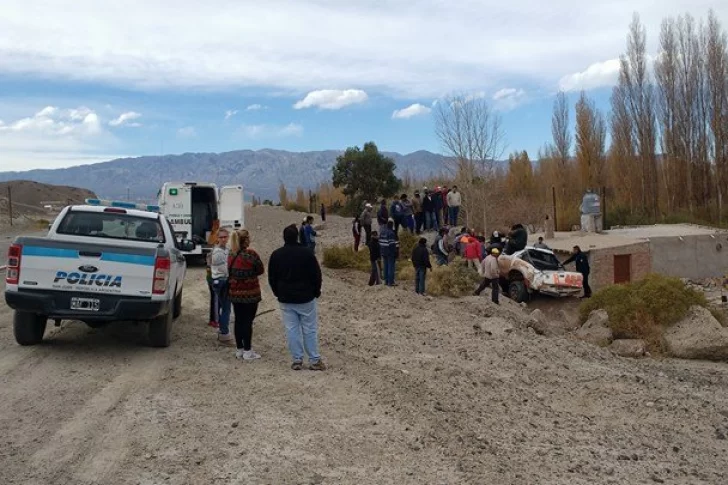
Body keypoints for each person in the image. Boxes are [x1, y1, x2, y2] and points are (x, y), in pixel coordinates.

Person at [268, 224, 326, 371]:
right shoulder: (307, 253)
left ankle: (297, 359)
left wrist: (277, 292)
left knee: (291, 329)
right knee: (309, 329)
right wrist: (316, 290)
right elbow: (316, 274)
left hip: (285, 297)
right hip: (306, 296)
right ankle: (314, 359)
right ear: (297, 236)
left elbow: (271, 277)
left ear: (284, 237)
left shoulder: (276, 255)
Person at [227, 229, 265, 360]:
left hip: (235, 294)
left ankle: (239, 349)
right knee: (248, 322)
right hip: (250, 294)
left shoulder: (231, 255)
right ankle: (248, 351)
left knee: (238, 320)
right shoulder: (251, 254)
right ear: (246, 240)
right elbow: (260, 269)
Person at [209, 227, 234, 345]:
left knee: (223, 307)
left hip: (222, 280)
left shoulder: (226, 249)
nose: (223, 239)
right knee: (226, 308)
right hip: (221, 281)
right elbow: (224, 268)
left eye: (225, 237)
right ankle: (224, 333)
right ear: (217, 238)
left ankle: (222, 329)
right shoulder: (218, 252)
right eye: (221, 237)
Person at [379, 218, 399, 286]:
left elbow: (380, 242)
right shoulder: (391, 233)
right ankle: (391, 282)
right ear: (392, 225)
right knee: (391, 267)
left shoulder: (382, 232)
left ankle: (386, 281)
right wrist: (395, 253)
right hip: (390, 252)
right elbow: (392, 245)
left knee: (385, 267)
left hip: (383, 251)